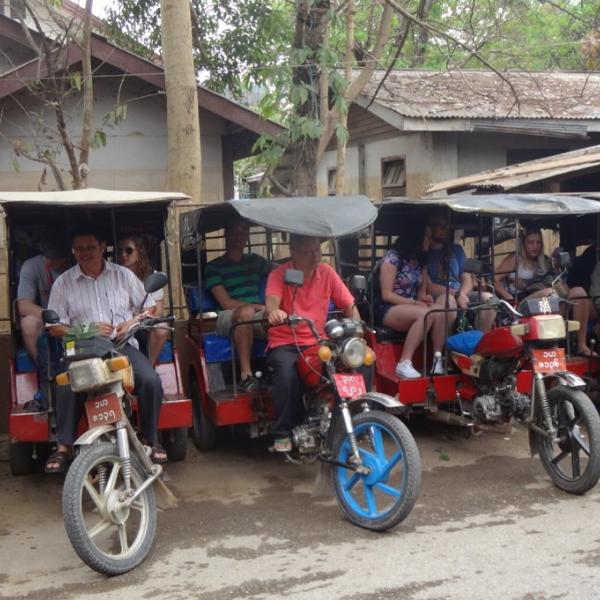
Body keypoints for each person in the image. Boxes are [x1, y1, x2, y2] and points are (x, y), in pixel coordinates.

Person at [44, 225, 166, 473]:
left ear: (102, 248)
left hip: (120, 346)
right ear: (73, 251)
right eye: (79, 248)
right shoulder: (63, 283)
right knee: (65, 384)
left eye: (90, 247)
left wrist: (131, 322)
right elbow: (54, 327)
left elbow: (151, 307)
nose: (85, 252)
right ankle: (64, 446)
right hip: (81, 351)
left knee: (151, 381)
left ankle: (149, 438)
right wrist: (85, 331)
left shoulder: (123, 275)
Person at [266, 234, 360, 451]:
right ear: (294, 252)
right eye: (309, 251)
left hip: (319, 341)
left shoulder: (326, 272)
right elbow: (272, 302)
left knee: (356, 361)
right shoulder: (280, 275)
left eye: (318, 249)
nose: (316, 255)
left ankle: (355, 420)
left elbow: (349, 304)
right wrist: (275, 312)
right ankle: (282, 432)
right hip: (285, 341)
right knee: (287, 375)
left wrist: (357, 328)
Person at [494, 226, 593, 356]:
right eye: (531, 242)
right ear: (523, 244)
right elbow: (493, 279)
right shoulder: (515, 259)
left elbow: (558, 284)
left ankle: (581, 345)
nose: (535, 246)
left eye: (538, 242)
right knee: (549, 293)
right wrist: (508, 297)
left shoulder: (545, 261)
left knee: (579, 292)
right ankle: (550, 342)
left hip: (549, 300)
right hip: (522, 304)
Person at [205, 218, 270, 393]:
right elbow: (225, 302)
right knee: (246, 313)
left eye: (243, 231)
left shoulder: (257, 261)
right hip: (227, 316)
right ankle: (246, 376)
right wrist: (259, 307)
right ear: (226, 234)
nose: (239, 235)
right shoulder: (214, 267)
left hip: (256, 313)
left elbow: (278, 274)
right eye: (235, 230)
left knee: (272, 318)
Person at [376, 228, 449, 379]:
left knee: (440, 311)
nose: (430, 240)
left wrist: (424, 299)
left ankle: (437, 359)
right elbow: (387, 294)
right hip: (388, 307)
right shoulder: (393, 258)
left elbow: (421, 292)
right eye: (427, 236)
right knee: (426, 314)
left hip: (411, 305)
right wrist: (414, 303)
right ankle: (404, 362)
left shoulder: (421, 260)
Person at [16, 234, 70, 410]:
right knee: (28, 323)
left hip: (77, 320)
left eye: (58, 258)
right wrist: (52, 316)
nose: (54, 262)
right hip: (47, 322)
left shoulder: (78, 265)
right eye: (50, 258)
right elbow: (24, 306)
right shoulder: (32, 266)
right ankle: (46, 375)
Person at [425, 211, 495, 332]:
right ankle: (446, 348)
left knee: (490, 300)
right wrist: (456, 295)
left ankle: (477, 342)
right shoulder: (424, 252)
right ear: (429, 228)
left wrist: (461, 294)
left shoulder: (456, 249)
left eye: (445, 226)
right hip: (439, 296)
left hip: (461, 293)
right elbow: (428, 287)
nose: (443, 229)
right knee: (449, 301)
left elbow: (466, 279)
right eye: (438, 225)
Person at [117, 235, 168, 366]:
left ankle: (148, 365)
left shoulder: (150, 275)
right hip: (118, 323)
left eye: (128, 250)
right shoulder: (112, 276)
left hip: (143, 324)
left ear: (139, 253)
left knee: (162, 328)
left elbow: (158, 310)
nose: (123, 255)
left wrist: (137, 319)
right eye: (119, 251)